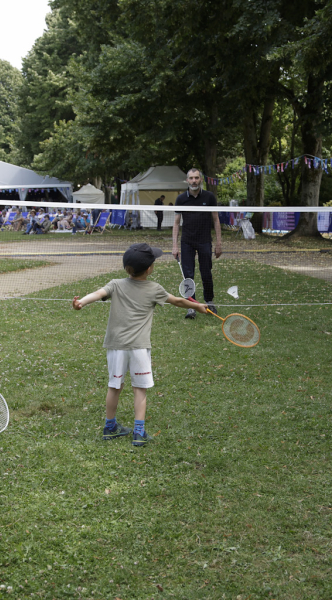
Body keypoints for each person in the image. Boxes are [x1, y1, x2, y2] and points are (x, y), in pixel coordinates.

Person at [72, 243, 207, 446]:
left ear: (126, 267)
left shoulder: (115, 284)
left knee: (114, 386)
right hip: (139, 349)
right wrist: (198, 306)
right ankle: (139, 433)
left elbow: (98, 294)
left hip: (116, 346)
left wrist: (81, 302)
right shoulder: (154, 289)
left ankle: (110, 427)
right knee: (140, 389)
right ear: (150, 268)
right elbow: (178, 301)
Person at [172, 168, 223, 319]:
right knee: (188, 275)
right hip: (187, 241)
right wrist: (175, 245)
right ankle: (191, 306)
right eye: (191, 178)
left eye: (196, 178)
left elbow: (216, 220)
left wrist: (219, 243)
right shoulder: (181, 199)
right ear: (187, 180)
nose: (194, 181)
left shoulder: (209, 197)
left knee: (206, 272)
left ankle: (209, 301)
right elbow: (176, 223)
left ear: (201, 179)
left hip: (204, 241)